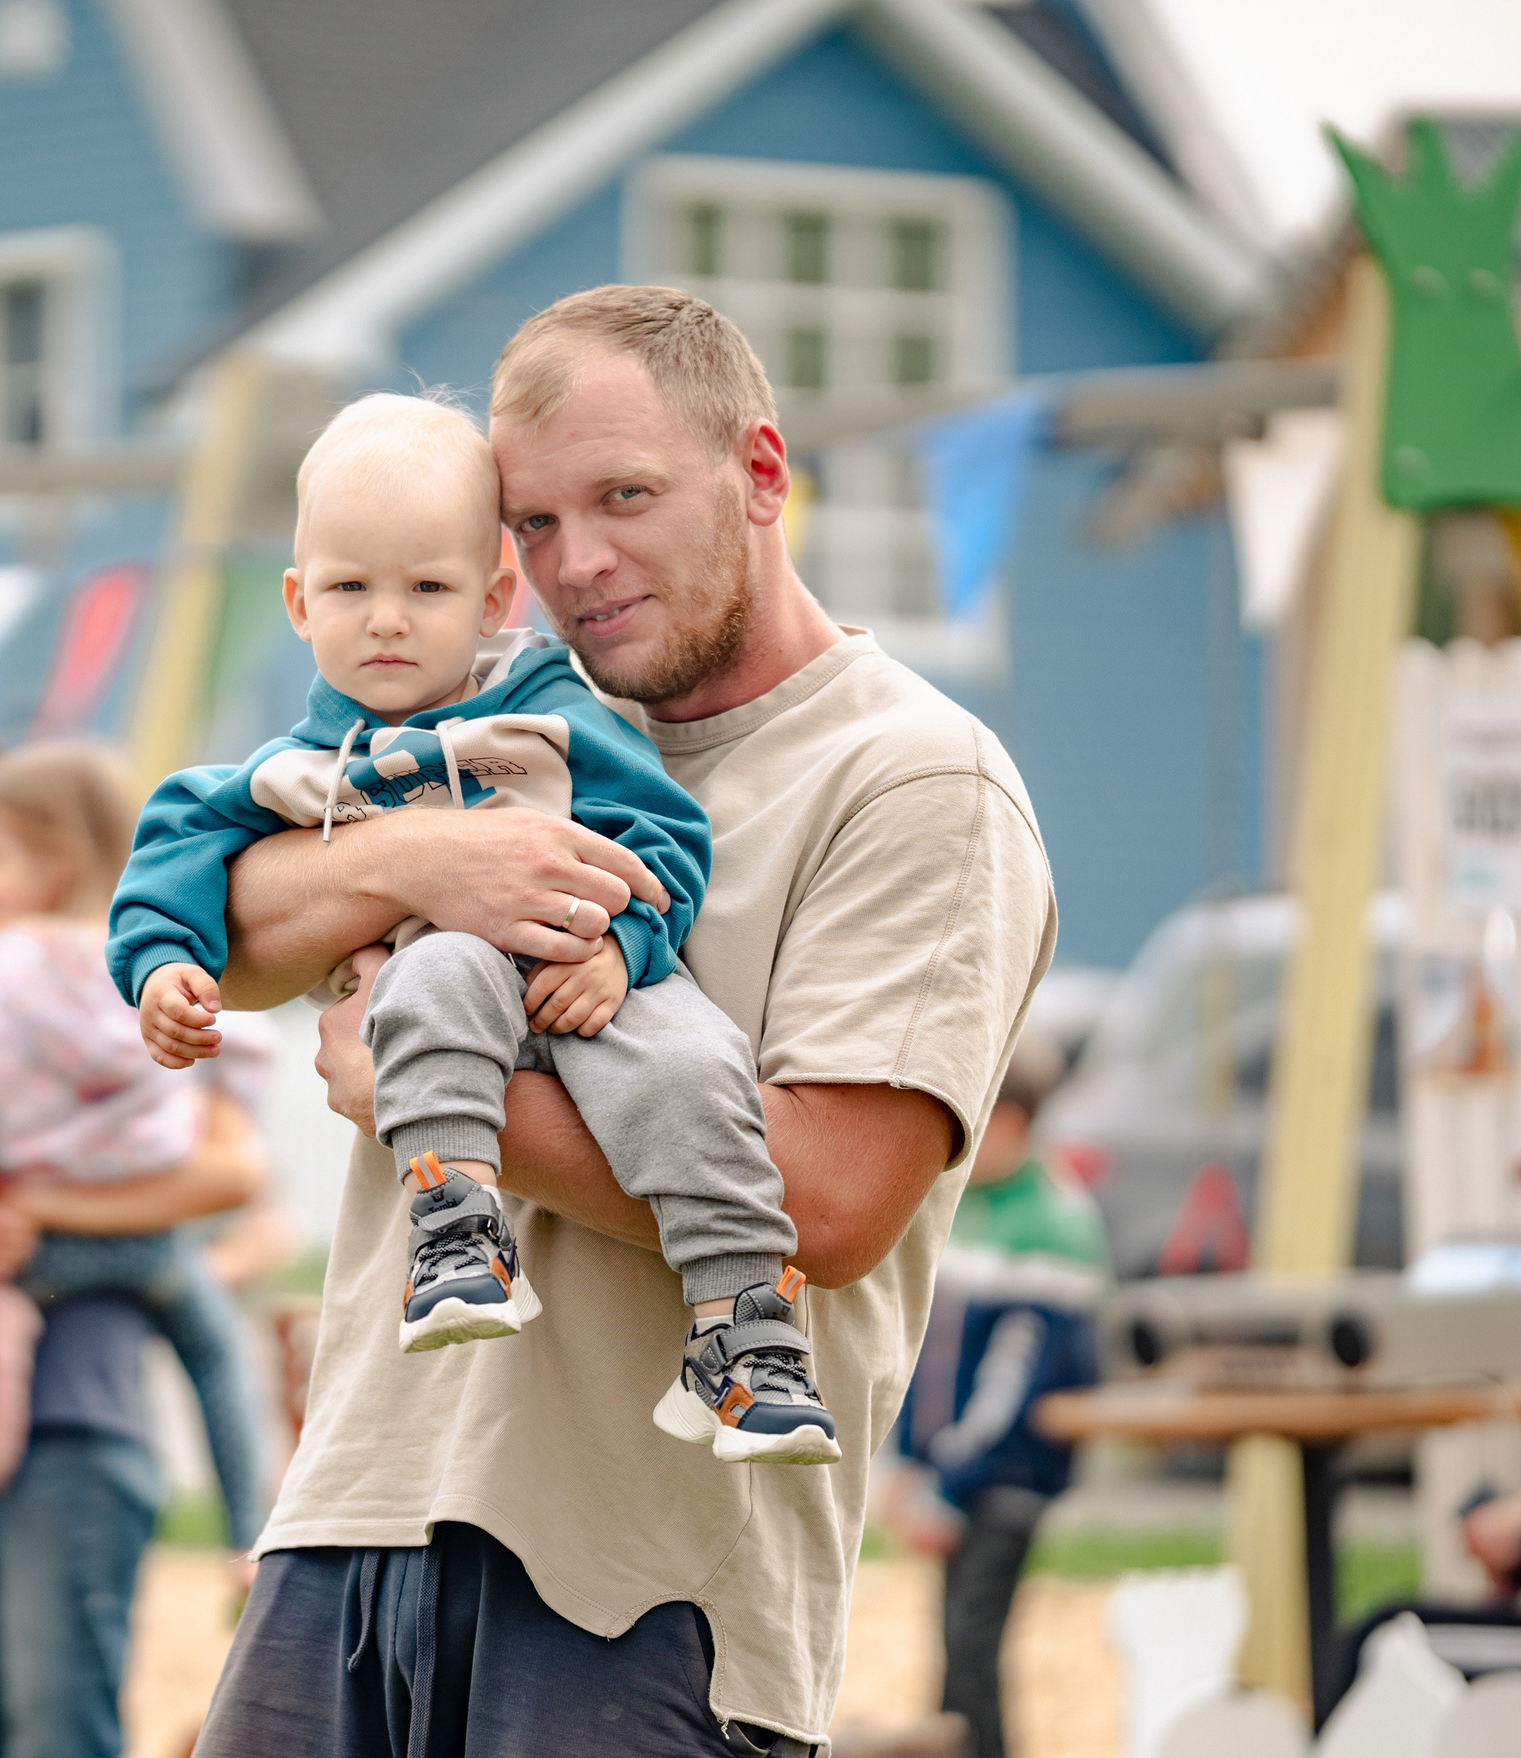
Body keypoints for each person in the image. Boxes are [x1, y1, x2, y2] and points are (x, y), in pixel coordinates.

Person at [189, 285, 1056, 1757]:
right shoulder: (493, 718)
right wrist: (411, 859)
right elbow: (230, 929)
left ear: (764, 474)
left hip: (652, 1583)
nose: (579, 559)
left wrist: (422, 1086)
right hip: (347, 1511)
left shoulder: (913, 777)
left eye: (628, 496)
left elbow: (834, 1199)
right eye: (530, 522)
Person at [114, 391, 834, 1465]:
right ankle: (454, 1224)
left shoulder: (548, 709)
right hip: (447, 1001)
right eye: (350, 587)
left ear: (496, 596)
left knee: (698, 1068)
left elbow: (661, 830)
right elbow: (174, 845)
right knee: (440, 966)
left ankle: (739, 1327)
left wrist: (621, 949)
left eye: (428, 587)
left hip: (595, 985)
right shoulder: (296, 772)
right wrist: (164, 965)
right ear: (297, 601)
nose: (388, 618)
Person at [0, 727, 270, 1758]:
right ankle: (252, 1531)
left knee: (52, 1724)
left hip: (67, 1406)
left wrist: (20, 1209)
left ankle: (252, 1538)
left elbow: (232, 1170)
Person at [880, 1034, 1105, 1758]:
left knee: (972, 1642)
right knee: (955, 1641)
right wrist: (905, 1460)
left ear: (1008, 1124)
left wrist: (946, 1481)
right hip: (948, 1471)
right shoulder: (964, 1202)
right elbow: (921, 1347)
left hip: (1004, 1478)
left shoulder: (1052, 1225)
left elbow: (1013, 1384)